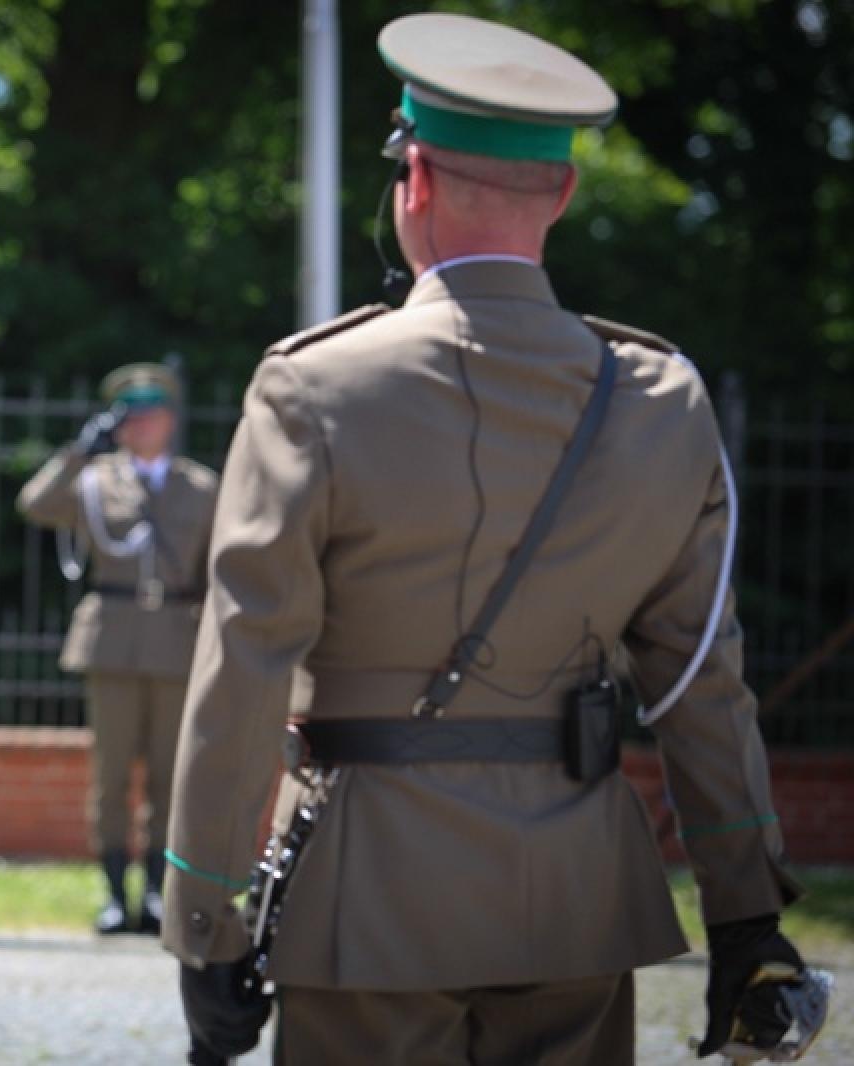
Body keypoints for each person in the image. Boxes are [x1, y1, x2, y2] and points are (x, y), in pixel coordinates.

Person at [163, 14, 815, 1064]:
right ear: (561, 194)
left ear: (410, 179)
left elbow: (246, 658)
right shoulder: (660, 398)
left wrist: (205, 914)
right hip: (576, 894)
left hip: (366, 889)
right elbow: (701, 681)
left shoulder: (314, 384)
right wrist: (745, 913)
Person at [18, 364, 219, 934]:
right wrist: (80, 452)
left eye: (152, 410)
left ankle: (157, 892)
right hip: (111, 640)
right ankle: (113, 894)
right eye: (129, 413)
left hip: (178, 640)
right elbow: (35, 502)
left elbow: (219, 564)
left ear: (171, 420)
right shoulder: (92, 480)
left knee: (168, 774)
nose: (141, 421)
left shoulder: (201, 487)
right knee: (110, 777)